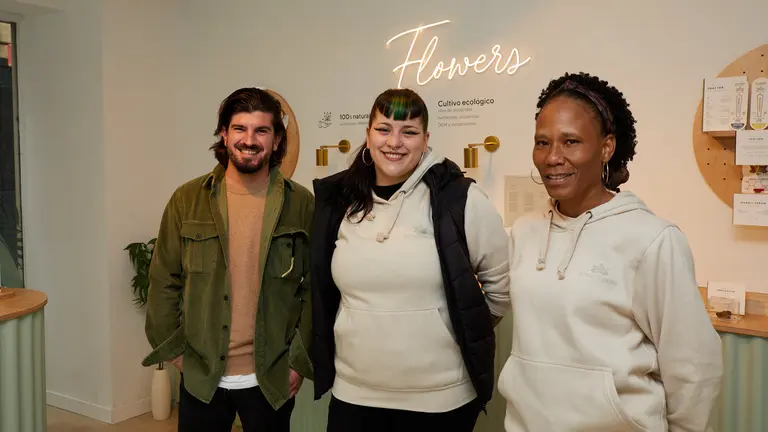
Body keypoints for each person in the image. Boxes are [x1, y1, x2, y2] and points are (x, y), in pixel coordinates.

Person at [498, 72, 723, 431]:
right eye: (542, 142)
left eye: (570, 141)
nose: (552, 157)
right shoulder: (524, 232)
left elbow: (692, 365)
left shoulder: (652, 239)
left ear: (606, 147)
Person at [311, 88, 511, 431]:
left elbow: (501, 288)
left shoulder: (460, 199)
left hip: (440, 399)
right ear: (368, 134)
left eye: (409, 132)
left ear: (426, 139)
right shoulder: (340, 201)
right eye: (384, 129)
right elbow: (325, 291)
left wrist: (454, 327)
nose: (395, 142)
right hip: (354, 395)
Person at [141, 88, 314, 432]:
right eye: (240, 129)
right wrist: (176, 353)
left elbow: (312, 290)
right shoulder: (187, 199)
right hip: (203, 376)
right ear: (224, 133)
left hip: (271, 377)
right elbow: (163, 280)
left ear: (277, 140)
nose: (249, 140)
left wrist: (297, 361)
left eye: (261, 131)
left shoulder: (301, 204)